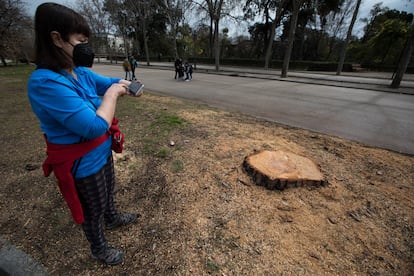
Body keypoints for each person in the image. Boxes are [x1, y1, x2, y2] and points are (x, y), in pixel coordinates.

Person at [27, 3, 141, 266]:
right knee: (93, 209)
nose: (85, 47)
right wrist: (113, 95)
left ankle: (112, 219)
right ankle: (99, 248)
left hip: (101, 152)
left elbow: (107, 82)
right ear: (57, 38)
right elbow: (93, 126)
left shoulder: (78, 72)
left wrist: (123, 83)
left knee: (108, 191)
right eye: (80, 41)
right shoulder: (45, 83)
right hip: (82, 164)